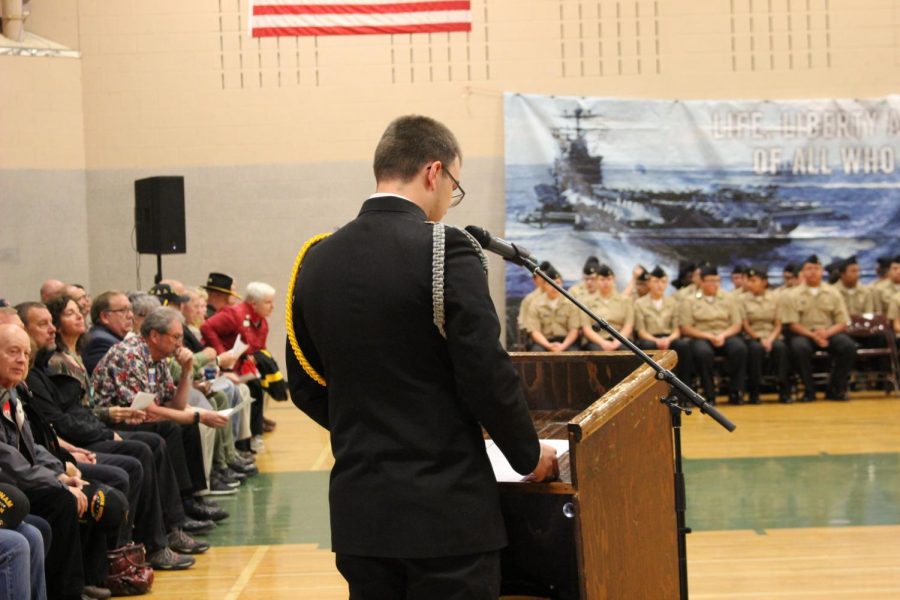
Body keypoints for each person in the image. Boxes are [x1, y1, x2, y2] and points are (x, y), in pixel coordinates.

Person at [286, 114, 558, 598]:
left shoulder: (314, 258)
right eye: (454, 186)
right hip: (447, 514)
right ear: (434, 172)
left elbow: (305, 384)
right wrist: (527, 455)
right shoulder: (444, 248)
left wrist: (370, 430)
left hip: (361, 512)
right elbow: (486, 374)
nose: (448, 202)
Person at [16, 301, 207, 569]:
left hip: (82, 435)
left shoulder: (58, 360)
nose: (52, 329)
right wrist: (80, 447)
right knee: (143, 449)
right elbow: (58, 423)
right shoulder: (51, 367)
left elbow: (66, 418)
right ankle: (135, 549)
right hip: (73, 442)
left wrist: (187, 374)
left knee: (159, 437)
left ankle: (167, 526)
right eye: (45, 323)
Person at [201, 282, 280, 444]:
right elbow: (206, 327)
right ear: (253, 304)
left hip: (241, 367)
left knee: (259, 385)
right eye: (268, 302)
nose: (273, 306)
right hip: (221, 367)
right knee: (251, 388)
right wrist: (222, 353)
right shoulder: (234, 314)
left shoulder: (262, 322)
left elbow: (258, 347)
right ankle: (243, 442)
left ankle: (254, 434)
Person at [781, 255, 856, 402]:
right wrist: (813, 336)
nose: (813, 272)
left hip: (829, 332)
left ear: (822, 272)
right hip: (804, 333)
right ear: (802, 272)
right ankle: (809, 390)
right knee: (798, 347)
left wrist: (826, 333)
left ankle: (836, 388)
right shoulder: (792, 294)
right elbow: (792, 324)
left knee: (848, 346)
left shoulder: (833, 292)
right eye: (809, 269)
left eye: (816, 268)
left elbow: (842, 321)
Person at [679, 265, 748, 405]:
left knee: (740, 348)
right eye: (710, 281)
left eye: (717, 280)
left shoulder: (729, 298)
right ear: (702, 282)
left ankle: (736, 391)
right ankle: (709, 394)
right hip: (701, 336)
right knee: (703, 353)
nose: (714, 284)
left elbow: (736, 324)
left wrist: (723, 335)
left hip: (725, 334)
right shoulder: (690, 300)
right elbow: (686, 328)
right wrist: (709, 336)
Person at [740, 267, 791, 404]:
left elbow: (778, 324)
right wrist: (759, 338)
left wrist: (770, 339)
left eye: (754, 280)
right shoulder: (742, 299)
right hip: (753, 336)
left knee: (781, 348)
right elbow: (745, 324)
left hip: (772, 335)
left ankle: (784, 391)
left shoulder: (775, 298)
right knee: (755, 350)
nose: (750, 284)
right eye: (749, 281)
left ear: (764, 282)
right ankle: (754, 393)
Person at [633, 266, 692, 384]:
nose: (659, 285)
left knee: (683, 346)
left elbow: (676, 331)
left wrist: (668, 339)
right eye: (656, 281)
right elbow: (641, 331)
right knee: (646, 346)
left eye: (663, 282)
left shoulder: (673, 302)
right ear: (649, 283)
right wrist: (656, 340)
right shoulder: (639, 303)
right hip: (650, 338)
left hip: (669, 337)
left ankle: (684, 390)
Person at [521, 265, 581, 352]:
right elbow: (534, 331)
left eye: (557, 283)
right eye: (550, 283)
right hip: (544, 341)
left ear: (562, 284)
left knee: (575, 353)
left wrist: (562, 346)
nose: (554, 287)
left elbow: (574, 330)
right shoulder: (535, 303)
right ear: (544, 285)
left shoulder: (570, 303)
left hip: (566, 341)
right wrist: (548, 345)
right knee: (537, 351)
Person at [580, 263, 634, 351]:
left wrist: (617, 342)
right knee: (597, 353)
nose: (606, 283)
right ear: (597, 281)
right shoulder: (586, 302)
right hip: (596, 341)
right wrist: (603, 343)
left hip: (621, 340)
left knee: (627, 353)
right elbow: (587, 328)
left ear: (614, 280)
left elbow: (628, 326)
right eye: (602, 279)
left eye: (609, 279)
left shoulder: (625, 301)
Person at [81, 291, 134, 375]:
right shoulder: (99, 342)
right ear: (105, 317)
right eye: (123, 310)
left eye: (130, 309)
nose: (130, 315)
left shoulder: (109, 337)